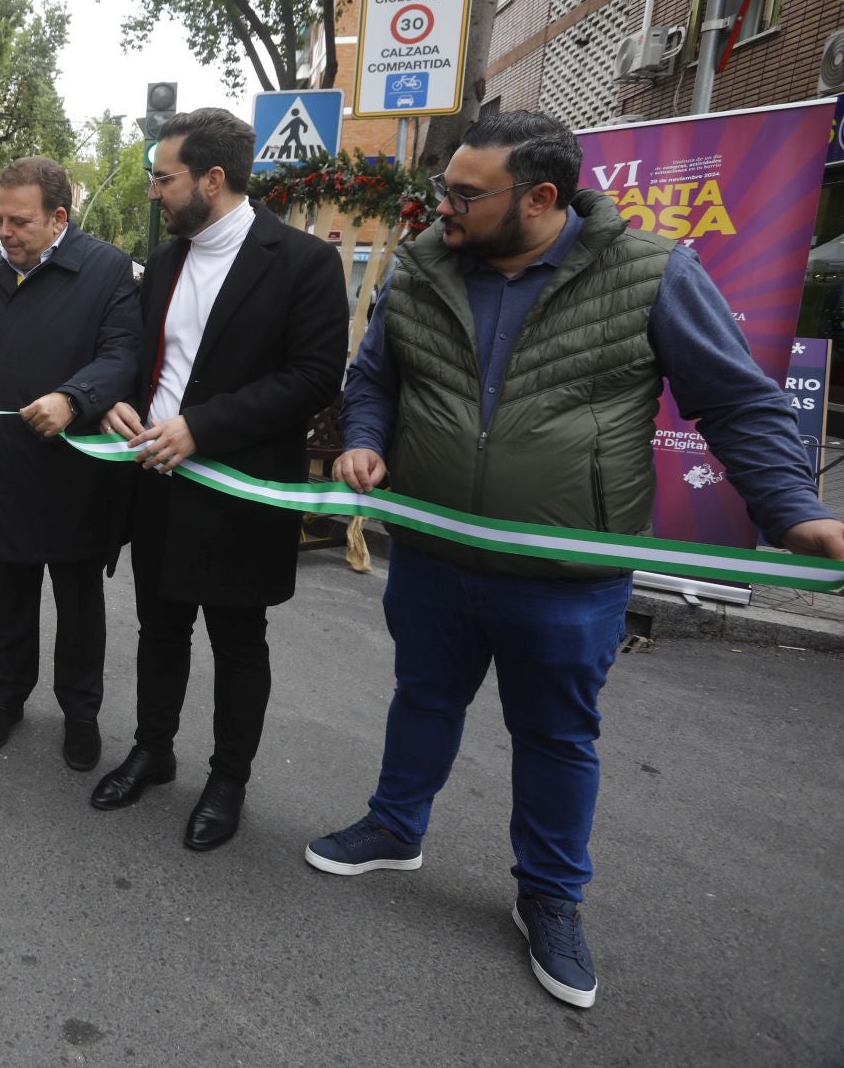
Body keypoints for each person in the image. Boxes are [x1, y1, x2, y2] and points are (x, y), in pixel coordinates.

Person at [307, 110, 844, 1010]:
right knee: (423, 697)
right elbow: (375, 381)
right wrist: (365, 439)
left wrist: (794, 510)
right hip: (434, 554)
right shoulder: (421, 268)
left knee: (557, 736)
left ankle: (550, 897)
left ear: (541, 197)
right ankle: (395, 828)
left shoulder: (652, 273)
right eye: (445, 187)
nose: (442, 206)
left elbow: (737, 403)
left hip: (567, 579)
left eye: (465, 194)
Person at [88, 108, 348, 852]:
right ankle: (153, 750)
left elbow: (312, 378)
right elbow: (149, 358)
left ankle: (228, 779)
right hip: (156, 481)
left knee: (238, 643)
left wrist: (202, 427)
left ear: (211, 179)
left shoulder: (301, 262)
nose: (153, 193)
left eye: (162, 179)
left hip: (241, 488)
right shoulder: (166, 261)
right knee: (159, 629)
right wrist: (118, 402)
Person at [0, 157, 139, 770]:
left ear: (58, 217)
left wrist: (74, 399)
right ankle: (7, 696)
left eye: (19, 221)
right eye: (0, 219)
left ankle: (80, 712)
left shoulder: (107, 269)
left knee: (78, 602)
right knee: (10, 596)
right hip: (5, 464)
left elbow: (124, 353)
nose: (4, 232)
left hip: (75, 471)